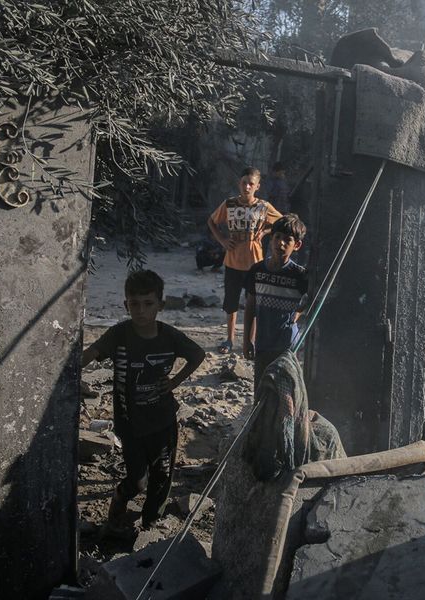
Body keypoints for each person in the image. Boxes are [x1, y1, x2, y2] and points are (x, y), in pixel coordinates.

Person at [81, 270, 205, 530]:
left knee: (162, 476)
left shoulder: (170, 336)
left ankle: (151, 524)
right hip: (129, 423)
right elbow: (90, 354)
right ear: (126, 305)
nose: (141, 311)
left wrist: (173, 382)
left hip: (162, 420)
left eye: (148, 303)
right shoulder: (119, 335)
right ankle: (120, 497)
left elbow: (197, 355)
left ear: (160, 305)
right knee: (138, 480)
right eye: (134, 304)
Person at [208, 167, 282, 354]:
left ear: (257, 186)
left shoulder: (263, 207)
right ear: (239, 184)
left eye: (251, 183)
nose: (247, 186)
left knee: (253, 304)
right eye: (244, 182)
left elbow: (282, 222)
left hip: (255, 263)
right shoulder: (229, 204)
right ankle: (229, 339)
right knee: (231, 303)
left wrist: (265, 232)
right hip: (232, 262)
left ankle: (249, 341)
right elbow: (211, 221)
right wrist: (223, 240)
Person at [243, 214, 309, 392]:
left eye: (287, 240)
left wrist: (298, 312)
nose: (281, 243)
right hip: (263, 342)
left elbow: (310, 300)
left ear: (297, 245)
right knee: (262, 389)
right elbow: (250, 308)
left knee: (283, 391)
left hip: (286, 345)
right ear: (270, 239)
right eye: (277, 237)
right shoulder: (257, 271)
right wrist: (247, 340)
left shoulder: (299, 275)